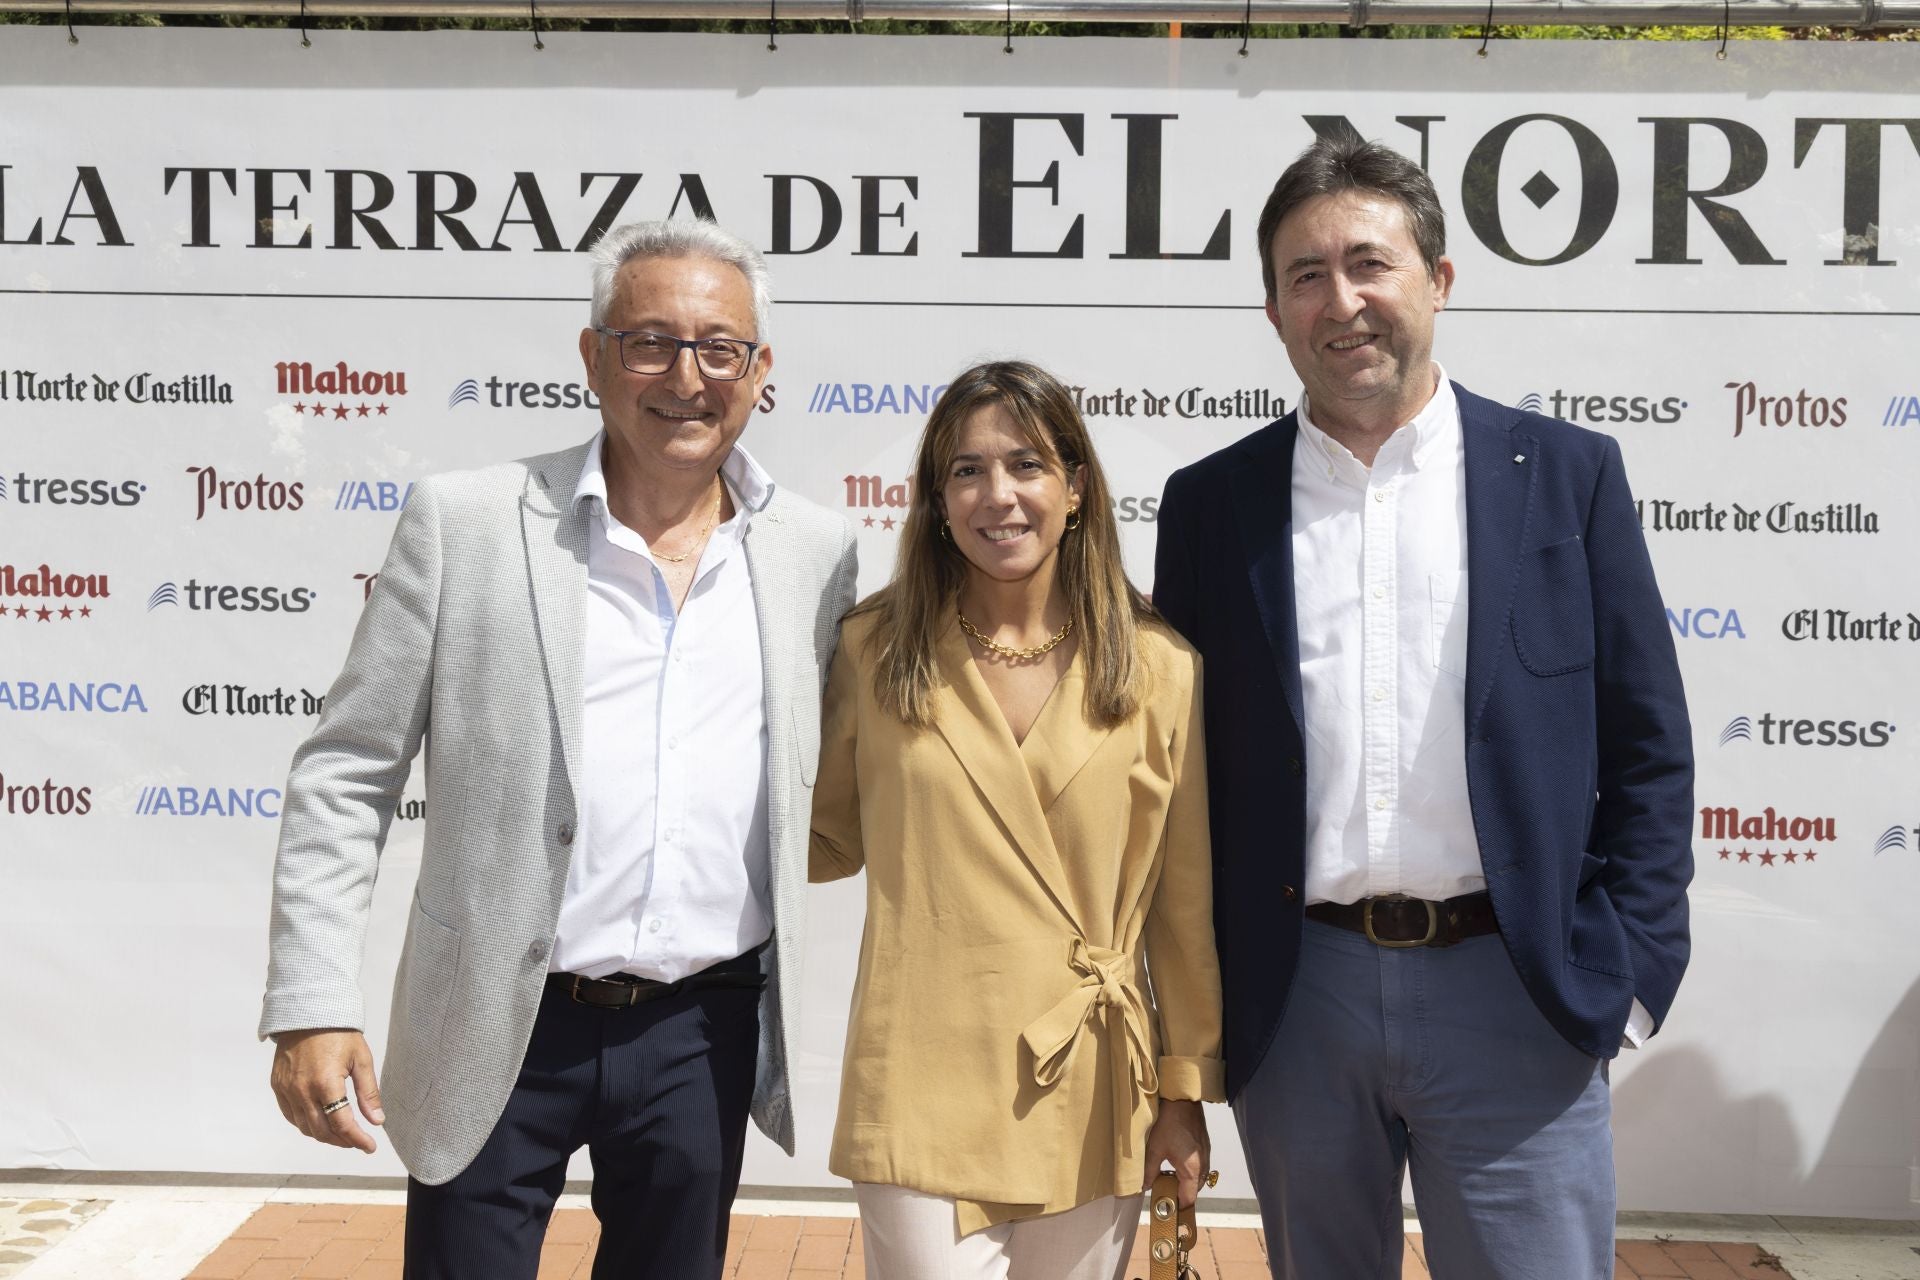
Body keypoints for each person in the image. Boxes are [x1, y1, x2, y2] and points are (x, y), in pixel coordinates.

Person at [259, 218, 857, 1280]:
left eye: (720, 347)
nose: (687, 375)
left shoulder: (815, 554)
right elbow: (346, 769)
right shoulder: (469, 523)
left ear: (760, 372)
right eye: (650, 342)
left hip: (699, 1029)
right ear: (593, 357)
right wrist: (312, 999)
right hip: (497, 1010)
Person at [1153, 134, 1694, 1280]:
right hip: (1299, 1001)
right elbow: (1181, 772)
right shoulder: (1212, 505)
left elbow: (1649, 749)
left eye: (1369, 263)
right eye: (1306, 275)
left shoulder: (1567, 474)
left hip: (1517, 996)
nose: (1340, 300)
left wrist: (1628, 979)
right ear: (1273, 310)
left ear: (1438, 281)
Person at [809, 360, 1224, 1280]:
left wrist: (1184, 1091)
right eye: (966, 470)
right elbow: (812, 836)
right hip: (918, 1066)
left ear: (1076, 488)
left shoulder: (1160, 670)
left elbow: (1180, 910)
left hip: (1094, 1082)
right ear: (935, 499)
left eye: (1027, 465)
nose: (998, 494)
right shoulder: (871, 652)